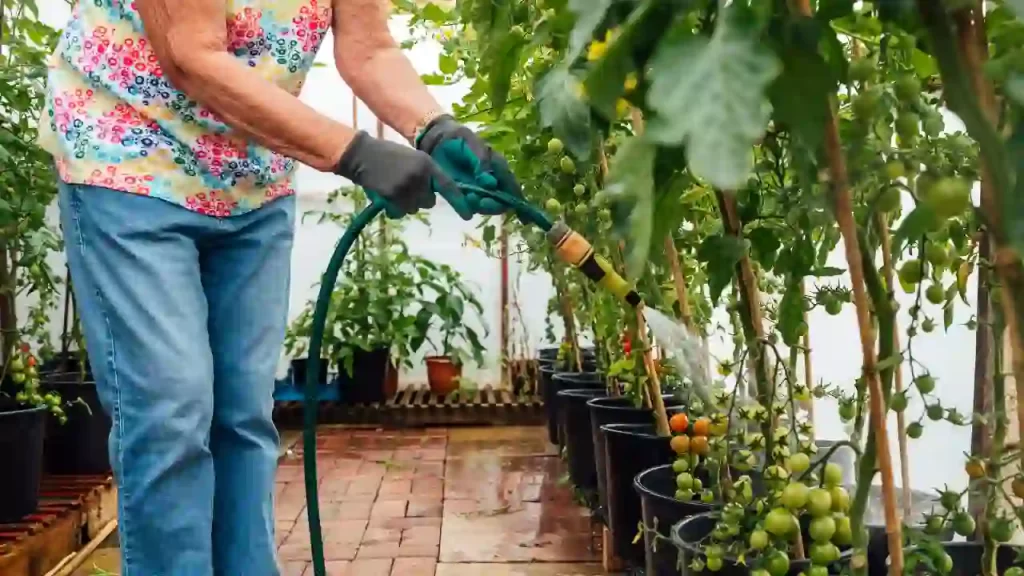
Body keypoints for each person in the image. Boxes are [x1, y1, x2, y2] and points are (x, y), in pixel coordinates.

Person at [37, 0, 521, 574]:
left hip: (252, 178)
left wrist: (435, 128)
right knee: (169, 412)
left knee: (243, 416)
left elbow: (368, 46)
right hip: (128, 159)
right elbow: (192, 56)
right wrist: (354, 152)